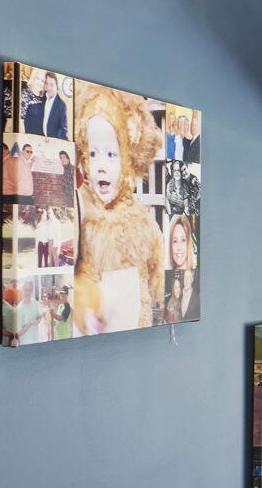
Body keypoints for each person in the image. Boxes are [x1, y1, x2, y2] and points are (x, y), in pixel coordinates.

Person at [73, 83, 163, 334]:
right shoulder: (84, 214)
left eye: (112, 154)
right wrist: (85, 302)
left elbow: (158, 270)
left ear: (130, 158)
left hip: (135, 326)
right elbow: (80, 272)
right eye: (93, 154)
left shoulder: (141, 221)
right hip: (99, 326)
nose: (100, 166)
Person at [23, 69, 68, 138]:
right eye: (38, 79)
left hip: (43, 140)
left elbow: (63, 130)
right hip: (28, 137)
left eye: (43, 81)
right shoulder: (26, 94)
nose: (40, 83)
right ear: (33, 78)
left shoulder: (44, 98)